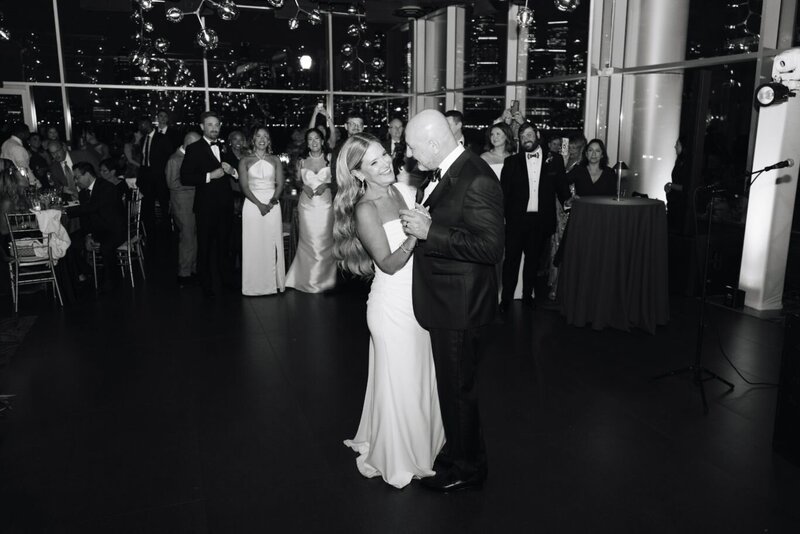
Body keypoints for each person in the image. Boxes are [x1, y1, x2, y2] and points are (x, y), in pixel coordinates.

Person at [400, 109, 505, 492]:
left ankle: (468, 468)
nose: (410, 156)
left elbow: (491, 247)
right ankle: (459, 453)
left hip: (461, 306)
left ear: (432, 142)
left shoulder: (477, 178)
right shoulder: (446, 171)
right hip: (447, 301)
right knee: (452, 388)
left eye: (412, 147)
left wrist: (432, 232)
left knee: (458, 390)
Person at [334, 132, 444, 489]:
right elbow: (389, 263)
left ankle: (422, 443)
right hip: (392, 305)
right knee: (401, 382)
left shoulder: (402, 189)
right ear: (359, 174)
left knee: (415, 378)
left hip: (418, 300)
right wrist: (416, 232)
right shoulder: (365, 208)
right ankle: (400, 455)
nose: (385, 164)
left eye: (384, 155)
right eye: (374, 162)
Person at [499, 122, 569, 312]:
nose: (526, 139)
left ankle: (528, 295)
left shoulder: (555, 160)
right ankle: (506, 299)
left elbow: (562, 188)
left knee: (533, 261)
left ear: (537, 135)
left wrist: (569, 203)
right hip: (515, 221)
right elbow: (504, 193)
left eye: (529, 135)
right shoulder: (511, 162)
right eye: (522, 137)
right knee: (511, 261)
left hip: (540, 220)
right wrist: (502, 218)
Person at [179, 111, 237, 298]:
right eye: (210, 124)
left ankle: (226, 282)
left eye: (217, 125)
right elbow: (185, 177)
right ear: (203, 127)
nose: (214, 128)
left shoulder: (225, 147)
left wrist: (233, 171)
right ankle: (206, 285)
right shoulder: (194, 148)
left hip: (226, 206)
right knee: (204, 248)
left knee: (224, 247)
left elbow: (238, 171)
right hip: (205, 208)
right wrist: (209, 176)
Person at [285, 128, 337, 293]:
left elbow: (339, 180)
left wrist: (326, 184)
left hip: (326, 206)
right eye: (310, 139)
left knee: (325, 241)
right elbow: (297, 181)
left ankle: (326, 279)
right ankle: (305, 278)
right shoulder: (301, 160)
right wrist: (302, 187)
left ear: (323, 141)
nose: (314, 142)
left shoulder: (330, 158)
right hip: (306, 206)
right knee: (307, 242)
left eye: (317, 138)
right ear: (307, 143)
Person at [238, 127, 286, 296]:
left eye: (265, 136)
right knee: (253, 243)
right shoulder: (245, 160)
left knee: (272, 243)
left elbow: (280, 183)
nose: (262, 139)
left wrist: (272, 201)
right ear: (253, 140)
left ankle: (274, 284)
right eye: (258, 136)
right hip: (252, 205)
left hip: (273, 203)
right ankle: (253, 285)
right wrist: (259, 204)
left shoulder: (275, 160)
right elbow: (244, 186)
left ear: (269, 141)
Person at [70, 161, 126, 290]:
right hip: (97, 230)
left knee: (106, 246)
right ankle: (88, 272)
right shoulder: (83, 193)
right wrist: (88, 236)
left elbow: (93, 207)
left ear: (88, 175)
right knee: (70, 242)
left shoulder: (106, 187)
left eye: (77, 177)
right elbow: (85, 219)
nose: (75, 181)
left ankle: (113, 283)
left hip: (114, 229)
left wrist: (66, 211)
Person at [167, 132, 201, 287]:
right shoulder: (175, 160)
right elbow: (172, 184)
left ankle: (191, 269)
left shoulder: (188, 157)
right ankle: (184, 274)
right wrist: (199, 182)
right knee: (187, 238)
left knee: (192, 236)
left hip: (191, 202)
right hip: (182, 204)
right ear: (189, 144)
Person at [137, 116, 173, 235]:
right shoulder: (143, 140)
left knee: (163, 201)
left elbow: (169, 156)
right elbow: (143, 159)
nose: (140, 128)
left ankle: (166, 227)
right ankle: (150, 228)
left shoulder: (162, 138)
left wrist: (166, 173)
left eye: (142, 125)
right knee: (148, 202)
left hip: (159, 175)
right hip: (147, 175)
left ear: (148, 124)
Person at [330, 111, 365, 195]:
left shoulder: (369, 147)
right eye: (352, 124)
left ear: (363, 127)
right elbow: (335, 172)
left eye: (359, 124)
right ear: (346, 126)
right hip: (344, 193)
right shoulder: (339, 148)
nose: (356, 127)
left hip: (365, 193)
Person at [1, 123, 38, 188]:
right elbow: (24, 169)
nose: (29, 134)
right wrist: (36, 184)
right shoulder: (18, 147)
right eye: (27, 132)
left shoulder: (5, 143)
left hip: (6, 181)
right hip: (17, 183)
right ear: (22, 133)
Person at [665, 135, 689, 234]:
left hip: (679, 204)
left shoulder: (686, 163)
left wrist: (670, 185)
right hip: (674, 201)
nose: (675, 146)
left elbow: (686, 186)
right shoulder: (679, 161)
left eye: (677, 144)